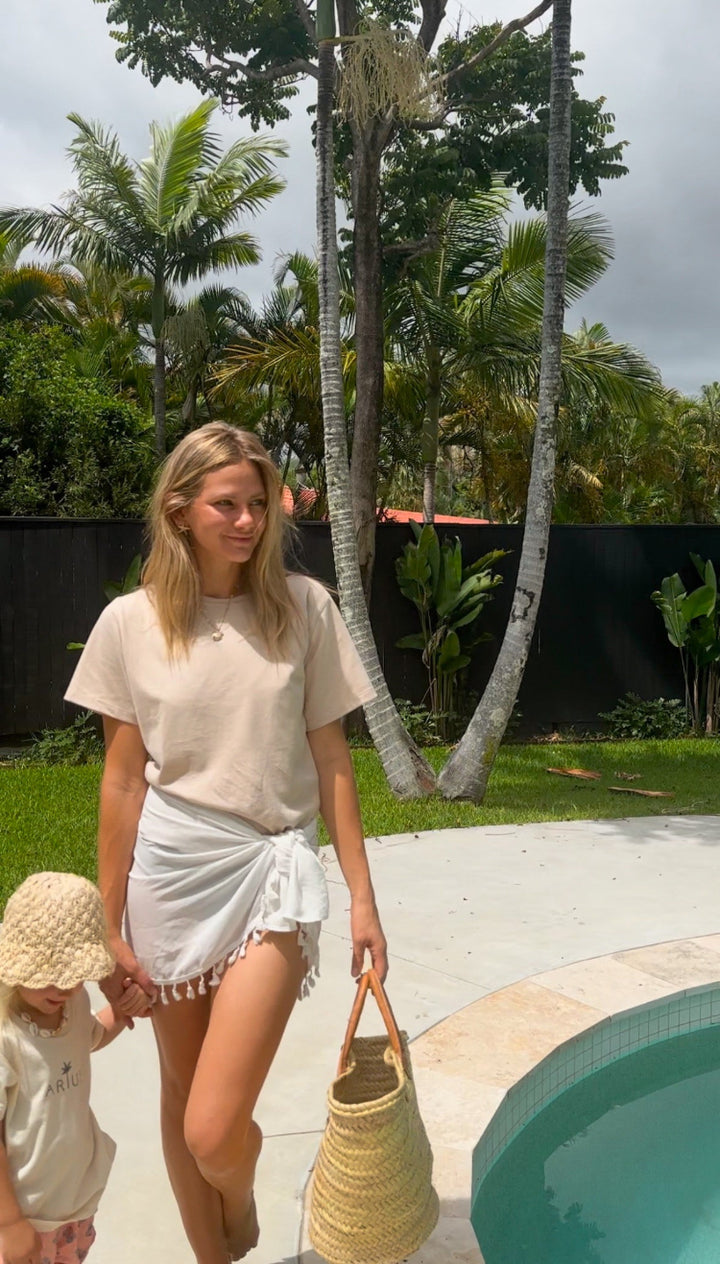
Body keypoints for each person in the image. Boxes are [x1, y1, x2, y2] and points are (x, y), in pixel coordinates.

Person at [64, 421, 388, 1264]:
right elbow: (124, 780)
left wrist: (361, 897)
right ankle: (216, 1255)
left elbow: (331, 758)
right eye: (226, 505)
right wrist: (108, 924)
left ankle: (237, 1199)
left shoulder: (303, 609)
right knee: (179, 1098)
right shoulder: (128, 625)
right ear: (179, 511)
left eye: (257, 504)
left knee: (214, 1125)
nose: (247, 521)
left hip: (274, 871)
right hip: (169, 876)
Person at [0, 871, 142, 1264]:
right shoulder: (6, 1037)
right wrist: (9, 1222)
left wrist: (124, 1011)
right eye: (48, 976)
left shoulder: (71, 1007)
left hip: (74, 1201)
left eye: (76, 976)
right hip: (22, 1215)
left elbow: (91, 1036)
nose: (63, 988)